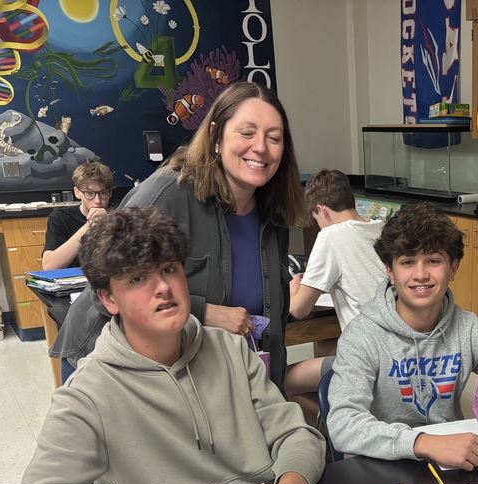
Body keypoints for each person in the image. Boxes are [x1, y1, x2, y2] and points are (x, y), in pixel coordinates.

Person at [2, 207, 325, 484]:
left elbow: (295, 433)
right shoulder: (88, 393)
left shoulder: (231, 349)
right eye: (137, 279)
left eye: (169, 269)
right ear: (109, 299)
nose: (163, 288)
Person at [50, 82, 309, 388]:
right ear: (216, 137)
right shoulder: (167, 194)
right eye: (247, 132)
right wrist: (205, 312)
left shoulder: (273, 213)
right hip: (112, 370)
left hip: (205, 371)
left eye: (274, 138)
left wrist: (274, 389)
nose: (261, 147)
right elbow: (104, 291)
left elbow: (272, 321)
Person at [326, 201, 478, 470]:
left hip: (453, 460)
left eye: (433, 261)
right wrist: (422, 442)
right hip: (383, 462)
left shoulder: (470, 329)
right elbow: (343, 424)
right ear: (390, 272)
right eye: (407, 262)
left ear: (453, 269)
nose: (420, 275)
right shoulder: (362, 336)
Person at [284, 168, 386, 409]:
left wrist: (293, 285)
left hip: (370, 356)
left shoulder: (331, 235)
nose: (319, 225)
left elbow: (298, 309)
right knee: (324, 345)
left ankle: (337, 426)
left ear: (321, 210)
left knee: (284, 380)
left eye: (316, 219)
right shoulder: (382, 229)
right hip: (396, 348)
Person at [41, 160, 114, 270]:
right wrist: (89, 226)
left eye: (103, 193)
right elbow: (49, 267)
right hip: (74, 279)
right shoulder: (60, 218)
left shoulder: (119, 215)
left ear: (110, 193)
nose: (98, 201)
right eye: (89, 193)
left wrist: (111, 221)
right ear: (77, 192)